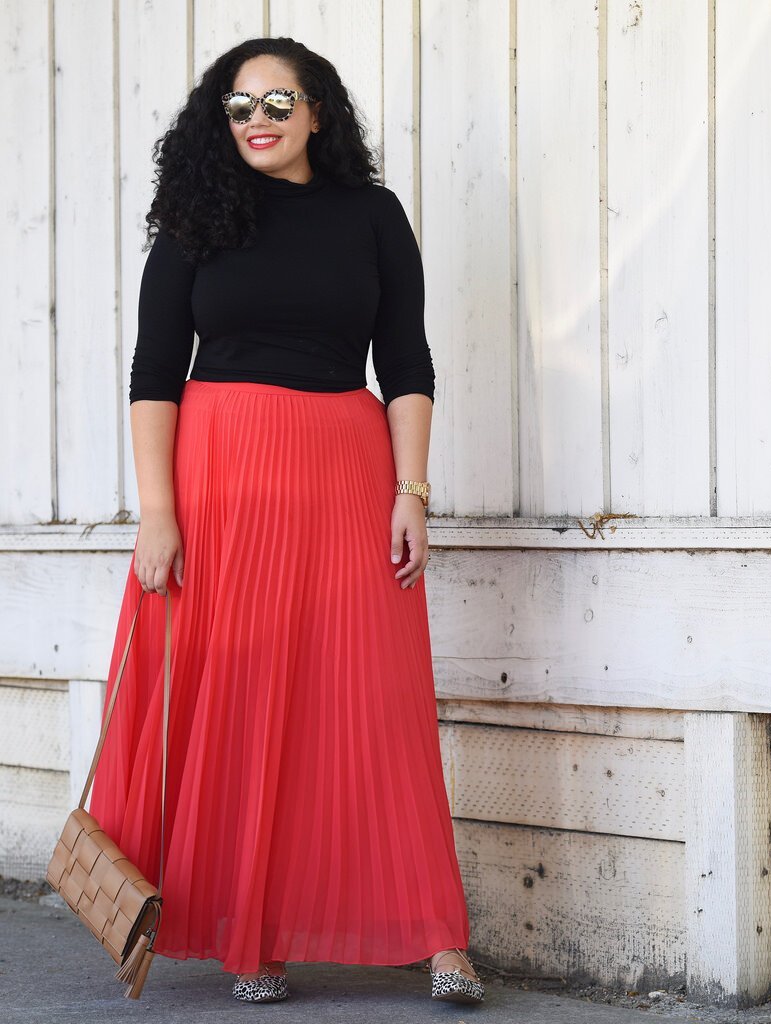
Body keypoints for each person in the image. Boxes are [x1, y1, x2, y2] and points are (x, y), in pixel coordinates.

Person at [85, 36, 484, 1007]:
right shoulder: (196, 218)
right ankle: (251, 936)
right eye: (238, 106)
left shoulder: (371, 216)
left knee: (375, 702)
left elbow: (407, 361)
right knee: (242, 702)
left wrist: (411, 490)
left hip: (345, 474)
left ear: (318, 113)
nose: (256, 121)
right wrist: (157, 513)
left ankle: (439, 934)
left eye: (277, 102)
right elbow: (153, 373)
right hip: (219, 484)